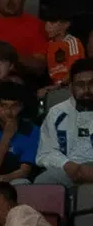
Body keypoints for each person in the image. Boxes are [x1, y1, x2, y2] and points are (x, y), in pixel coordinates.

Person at [37, 58, 93, 187]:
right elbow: (45, 153)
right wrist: (68, 165)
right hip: (68, 170)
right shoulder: (57, 113)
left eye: (91, 83)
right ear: (71, 87)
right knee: (43, 181)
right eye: (80, 84)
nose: (87, 89)